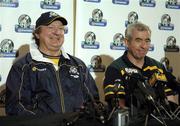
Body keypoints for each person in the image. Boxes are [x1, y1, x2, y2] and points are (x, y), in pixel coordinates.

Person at [5, 11, 99, 116]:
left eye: (61, 28)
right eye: (51, 27)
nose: (57, 32)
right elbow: (15, 107)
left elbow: (93, 102)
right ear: (37, 33)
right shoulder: (23, 67)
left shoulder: (78, 65)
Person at [103, 22, 180, 125]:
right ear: (126, 42)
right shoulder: (115, 68)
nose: (144, 46)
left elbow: (171, 98)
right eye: (138, 40)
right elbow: (118, 108)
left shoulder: (158, 67)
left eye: (147, 41)